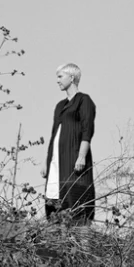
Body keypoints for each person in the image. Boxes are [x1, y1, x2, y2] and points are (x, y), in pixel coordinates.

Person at [41, 63, 96, 223]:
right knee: (54, 205)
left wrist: (81, 156)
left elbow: (87, 130)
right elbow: (54, 134)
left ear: (71, 78)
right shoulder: (59, 106)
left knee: (76, 202)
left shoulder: (84, 100)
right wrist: (46, 160)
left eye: (60, 77)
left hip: (73, 158)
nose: (57, 81)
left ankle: (81, 242)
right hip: (56, 162)